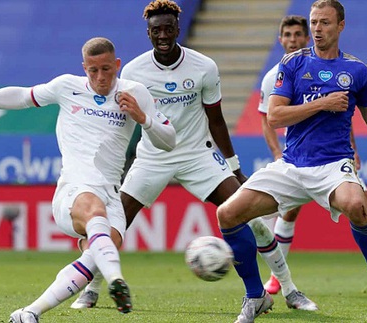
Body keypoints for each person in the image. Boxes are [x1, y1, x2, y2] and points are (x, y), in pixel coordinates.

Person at [70, 0, 318, 313]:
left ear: (178, 28)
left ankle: (290, 289)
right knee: (114, 222)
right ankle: (91, 289)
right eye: (155, 30)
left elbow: (215, 119)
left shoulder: (204, 67)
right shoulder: (133, 71)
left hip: (198, 155)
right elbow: (124, 124)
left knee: (249, 215)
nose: (162, 35)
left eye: (168, 28)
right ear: (148, 33)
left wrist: (234, 166)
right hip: (152, 158)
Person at [216, 1, 367, 322]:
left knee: (358, 206)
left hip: (333, 165)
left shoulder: (357, 71)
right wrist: (323, 103)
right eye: (314, 23)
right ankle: (255, 296)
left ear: (341, 26)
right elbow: (275, 116)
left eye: (325, 23)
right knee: (228, 214)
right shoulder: (292, 64)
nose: (318, 29)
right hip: (291, 165)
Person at [0, 37, 177, 322]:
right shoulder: (66, 87)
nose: (100, 77)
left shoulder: (135, 93)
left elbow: (169, 141)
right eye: (93, 70)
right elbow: (22, 96)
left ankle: (29, 313)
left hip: (111, 194)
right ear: (84, 68)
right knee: (95, 214)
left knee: (96, 253)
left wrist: (142, 118)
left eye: (107, 69)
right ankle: (116, 279)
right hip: (74, 189)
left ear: (117, 65)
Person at [258, 15, 367, 296]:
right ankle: (275, 278)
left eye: (297, 35)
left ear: (306, 38)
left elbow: (343, 114)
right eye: (287, 35)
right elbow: (267, 119)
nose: (293, 40)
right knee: (288, 212)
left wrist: (352, 148)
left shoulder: (344, 68)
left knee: (365, 206)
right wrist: (277, 154)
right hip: (294, 159)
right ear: (280, 39)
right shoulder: (275, 75)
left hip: (332, 158)